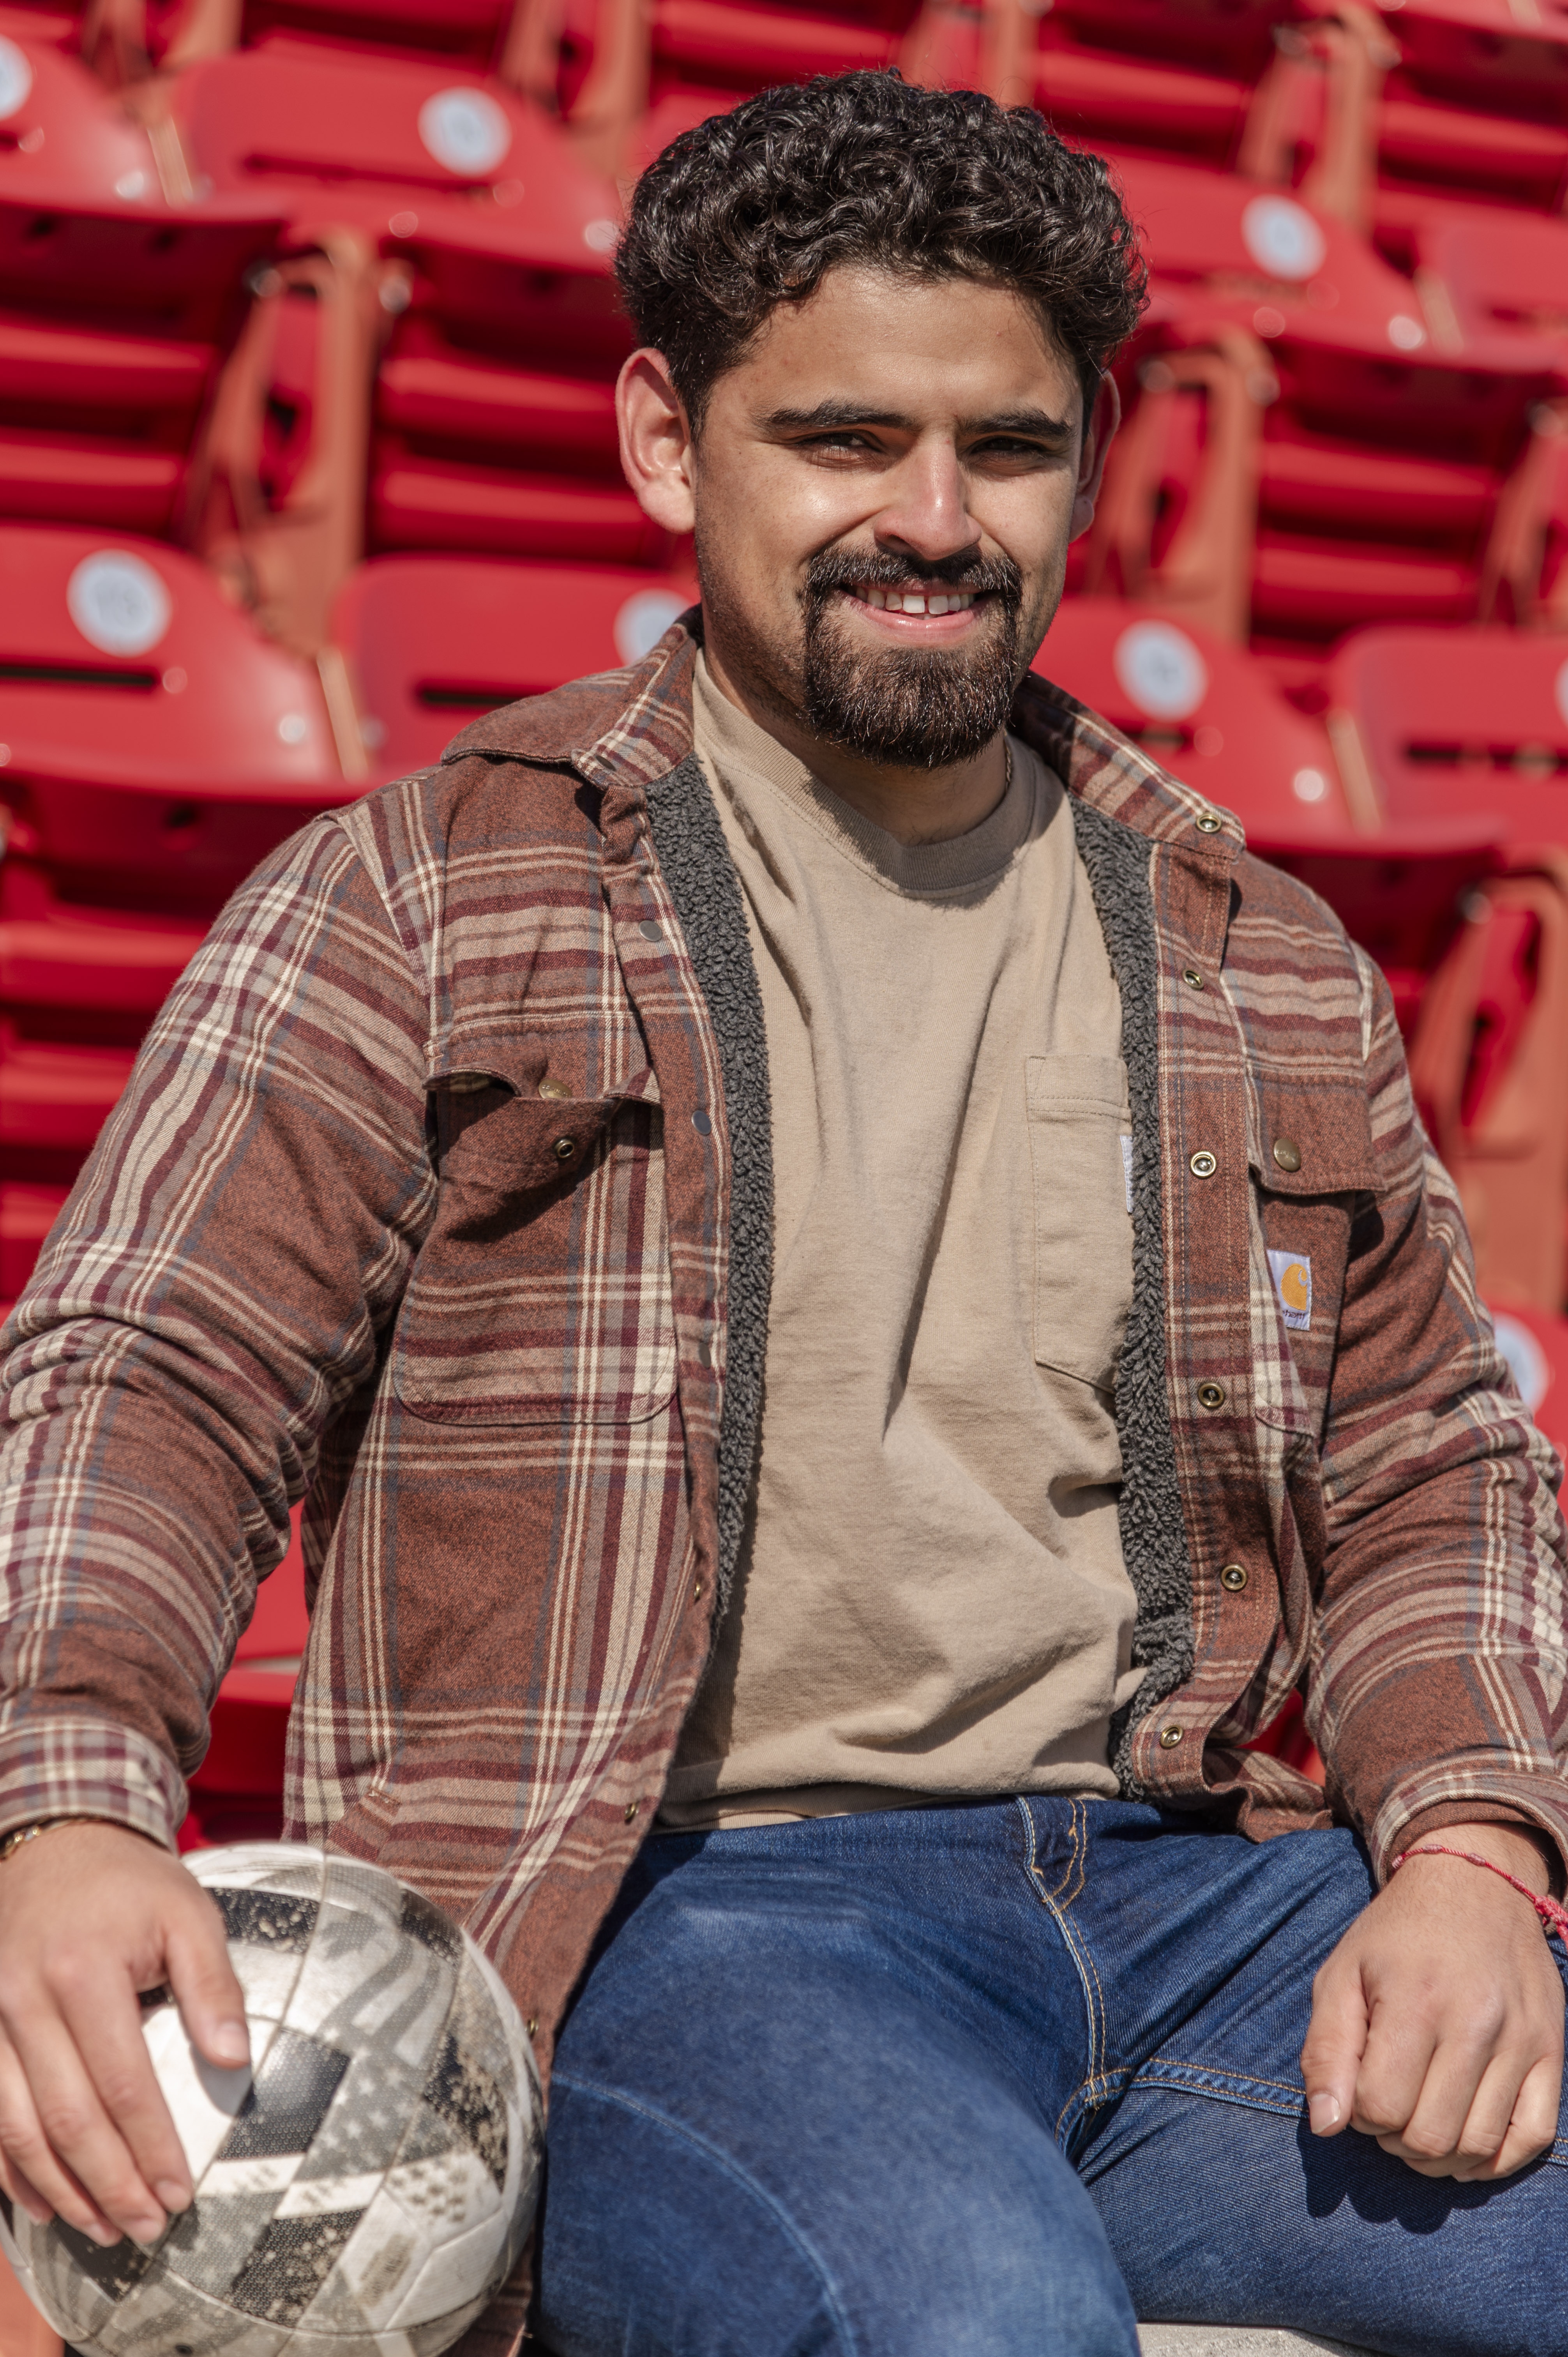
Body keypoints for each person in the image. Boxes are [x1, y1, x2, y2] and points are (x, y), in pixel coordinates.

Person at [0, 67, 1565, 2357]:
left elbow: (1428, 1453)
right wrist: (65, 1806)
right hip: (698, 1920)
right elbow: (153, 1377)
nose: (930, 520)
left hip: (1199, 1907)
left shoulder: (1261, 954)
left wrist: (1468, 1855)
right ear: (669, 441)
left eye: (1004, 452)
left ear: (1093, 458)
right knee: (972, 2337)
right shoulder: (418, 901)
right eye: (843, 440)